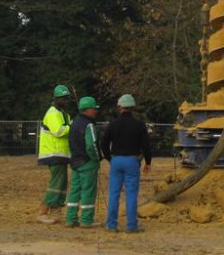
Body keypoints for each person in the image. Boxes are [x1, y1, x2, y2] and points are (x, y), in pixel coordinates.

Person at [100, 94, 152, 233]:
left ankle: (111, 224)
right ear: (133, 108)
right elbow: (146, 145)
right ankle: (131, 225)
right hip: (132, 161)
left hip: (116, 160)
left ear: (120, 107)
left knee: (114, 193)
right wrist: (148, 162)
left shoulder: (113, 124)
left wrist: (109, 158)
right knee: (131, 194)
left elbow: (104, 143)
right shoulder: (139, 125)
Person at [36, 85, 72, 224]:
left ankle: (56, 211)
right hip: (52, 154)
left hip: (61, 154)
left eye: (67, 98)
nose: (66, 101)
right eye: (63, 98)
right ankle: (42, 212)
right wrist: (73, 126)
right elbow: (59, 131)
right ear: (56, 98)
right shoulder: (52, 113)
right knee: (56, 184)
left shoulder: (63, 113)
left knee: (62, 184)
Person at [64, 97, 101, 228]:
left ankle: (70, 218)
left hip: (75, 162)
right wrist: (98, 158)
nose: (96, 111)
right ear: (88, 109)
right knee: (88, 191)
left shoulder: (74, 123)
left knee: (74, 190)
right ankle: (86, 220)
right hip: (87, 162)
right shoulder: (89, 125)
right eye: (94, 109)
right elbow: (92, 145)